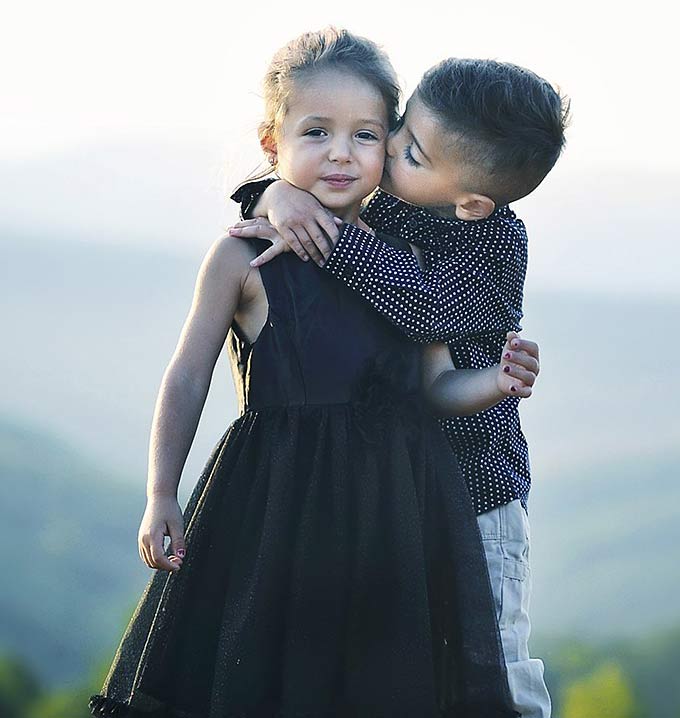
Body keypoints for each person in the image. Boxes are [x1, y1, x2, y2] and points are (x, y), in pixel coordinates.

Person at [89, 28, 541, 718]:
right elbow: (187, 375)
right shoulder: (243, 258)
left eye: (366, 136)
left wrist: (497, 383)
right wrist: (161, 492)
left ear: (387, 146)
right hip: (278, 515)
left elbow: (434, 383)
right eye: (317, 132)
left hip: (398, 522)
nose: (341, 152)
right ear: (273, 144)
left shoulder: (404, 254)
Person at [228, 56, 569, 718]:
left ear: (469, 201)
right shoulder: (401, 198)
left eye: (408, 149)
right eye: (400, 128)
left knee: (493, 664)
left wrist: (320, 235)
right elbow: (312, 178)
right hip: (398, 489)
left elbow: (420, 306)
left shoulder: (495, 251)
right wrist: (275, 196)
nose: (385, 148)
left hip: (478, 494)